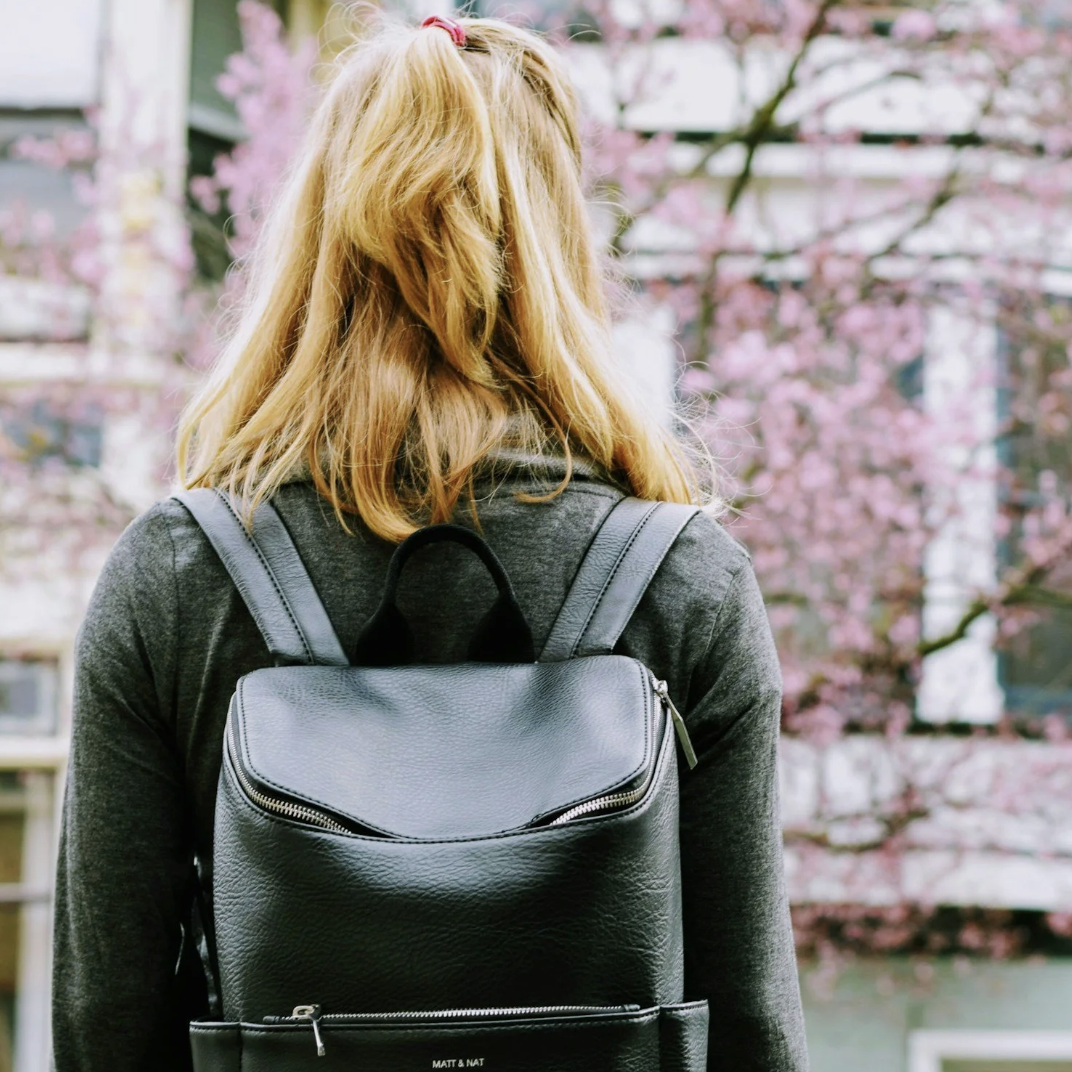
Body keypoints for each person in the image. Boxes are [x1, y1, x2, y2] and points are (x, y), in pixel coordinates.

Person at [51, 13, 809, 1072]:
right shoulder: (682, 582)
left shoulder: (179, 578)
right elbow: (752, 1029)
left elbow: (103, 1026)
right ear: (557, 243)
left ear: (313, 238)